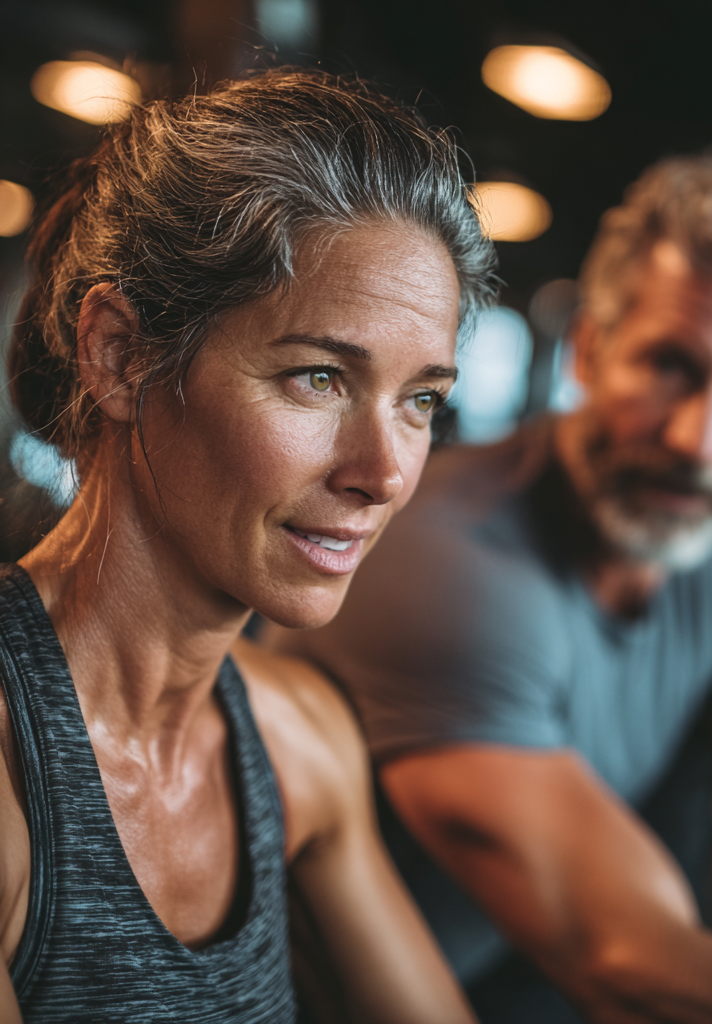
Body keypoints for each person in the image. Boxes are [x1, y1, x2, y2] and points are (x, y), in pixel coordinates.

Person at [268, 155, 712, 1024]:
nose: (701, 438)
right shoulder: (449, 560)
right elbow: (623, 951)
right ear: (590, 347)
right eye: (671, 367)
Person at [0, 69, 498, 1023]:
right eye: (317, 377)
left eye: (420, 400)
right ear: (118, 352)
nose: (383, 472)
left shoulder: (300, 734)